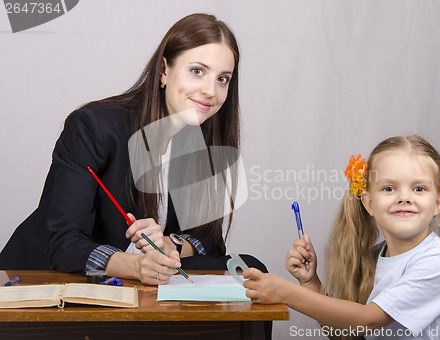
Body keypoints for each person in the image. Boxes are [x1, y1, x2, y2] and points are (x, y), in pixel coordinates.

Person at [0, 13, 267, 285]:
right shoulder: (94, 126)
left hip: (133, 287)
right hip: (43, 280)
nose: (211, 91)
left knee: (253, 271)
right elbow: (63, 242)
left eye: (223, 79)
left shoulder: (206, 145)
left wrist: (169, 244)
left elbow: (210, 241)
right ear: (164, 71)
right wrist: (136, 265)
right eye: (197, 71)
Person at [243, 135, 440, 339]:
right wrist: (311, 284)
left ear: (439, 203)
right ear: (369, 203)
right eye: (389, 188)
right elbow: (347, 332)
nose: (404, 197)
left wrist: (284, 293)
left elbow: (368, 320)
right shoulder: (376, 256)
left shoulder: (438, 263)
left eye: (419, 188)